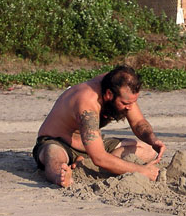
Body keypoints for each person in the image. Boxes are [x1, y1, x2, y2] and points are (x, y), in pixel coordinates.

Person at [32, 65, 165, 187]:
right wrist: (142, 171)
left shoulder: (120, 85)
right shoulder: (87, 103)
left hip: (91, 145)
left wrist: (152, 139)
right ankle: (60, 177)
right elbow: (99, 157)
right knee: (53, 155)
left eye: (133, 102)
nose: (130, 108)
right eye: (125, 103)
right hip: (59, 142)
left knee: (148, 150)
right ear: (109, 95)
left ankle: (86, 164)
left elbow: (138, 123)